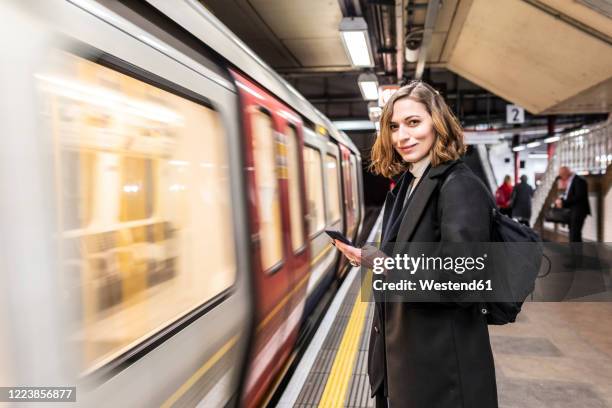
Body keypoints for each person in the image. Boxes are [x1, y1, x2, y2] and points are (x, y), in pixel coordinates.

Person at [332, 81, 498, 408]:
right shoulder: (408, 184)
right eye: (394, 127)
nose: (402, 136)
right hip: (406, 362)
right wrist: (374, 259)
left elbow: (463, 279)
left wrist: (384, 266)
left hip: (442, 375)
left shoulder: (459, 185)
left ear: (438, 124)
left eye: (413, 123)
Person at [555, 166, 590, 242]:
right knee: (572, 234)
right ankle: (574, 252)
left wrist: (563, 202)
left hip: (578, 211)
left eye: (561, 175)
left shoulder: (579, 180)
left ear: (566, 173)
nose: (561, 177)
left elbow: (579, 196)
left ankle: (576, 253)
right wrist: (561, 200)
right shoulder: (570, 181)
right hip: (572, 211)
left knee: (575, 234)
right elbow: (569, 195)